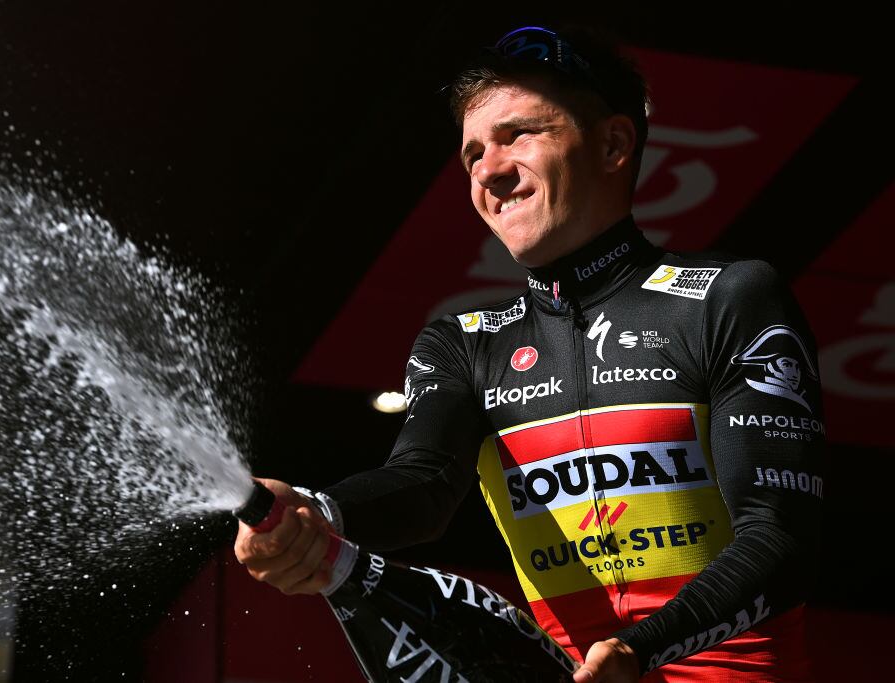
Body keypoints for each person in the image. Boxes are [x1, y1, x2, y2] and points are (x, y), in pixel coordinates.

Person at [234, 25, 825, 682]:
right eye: (472, 155)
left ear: (613, 144)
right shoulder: (464, 340)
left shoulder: (728, 297)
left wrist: (640, 649)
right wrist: (318, 509)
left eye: (518, 134)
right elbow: (426, 482)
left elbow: (782, 536)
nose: (488, 168)